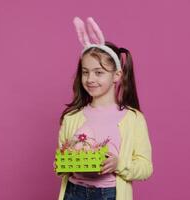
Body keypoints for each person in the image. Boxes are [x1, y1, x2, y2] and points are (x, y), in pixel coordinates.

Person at [54, 16, 153, 200]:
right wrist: (62, 164)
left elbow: (146, 167)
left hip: (110, 194)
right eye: (85, 72)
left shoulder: (133, 118)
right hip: (73, 193)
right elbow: (62, 161)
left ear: (117, 75)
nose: (90, 79)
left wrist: (119, 164)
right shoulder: (72, 117)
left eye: (99, 72)